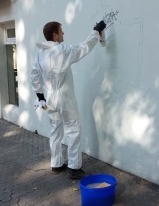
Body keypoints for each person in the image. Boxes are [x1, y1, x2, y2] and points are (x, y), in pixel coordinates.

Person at [31, 20, 106, 179]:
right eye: (61, 31)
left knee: (55, 131)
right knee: (73, 129)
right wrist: (95, 32)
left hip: (49, 98)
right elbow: (83, 48)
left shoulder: (40, 54)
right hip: (64, 98)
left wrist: (40, 97)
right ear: (55, 35)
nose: (63, 33)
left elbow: (34, 77)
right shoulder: (63, 50)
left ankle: (56, 164)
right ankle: (74, 167)